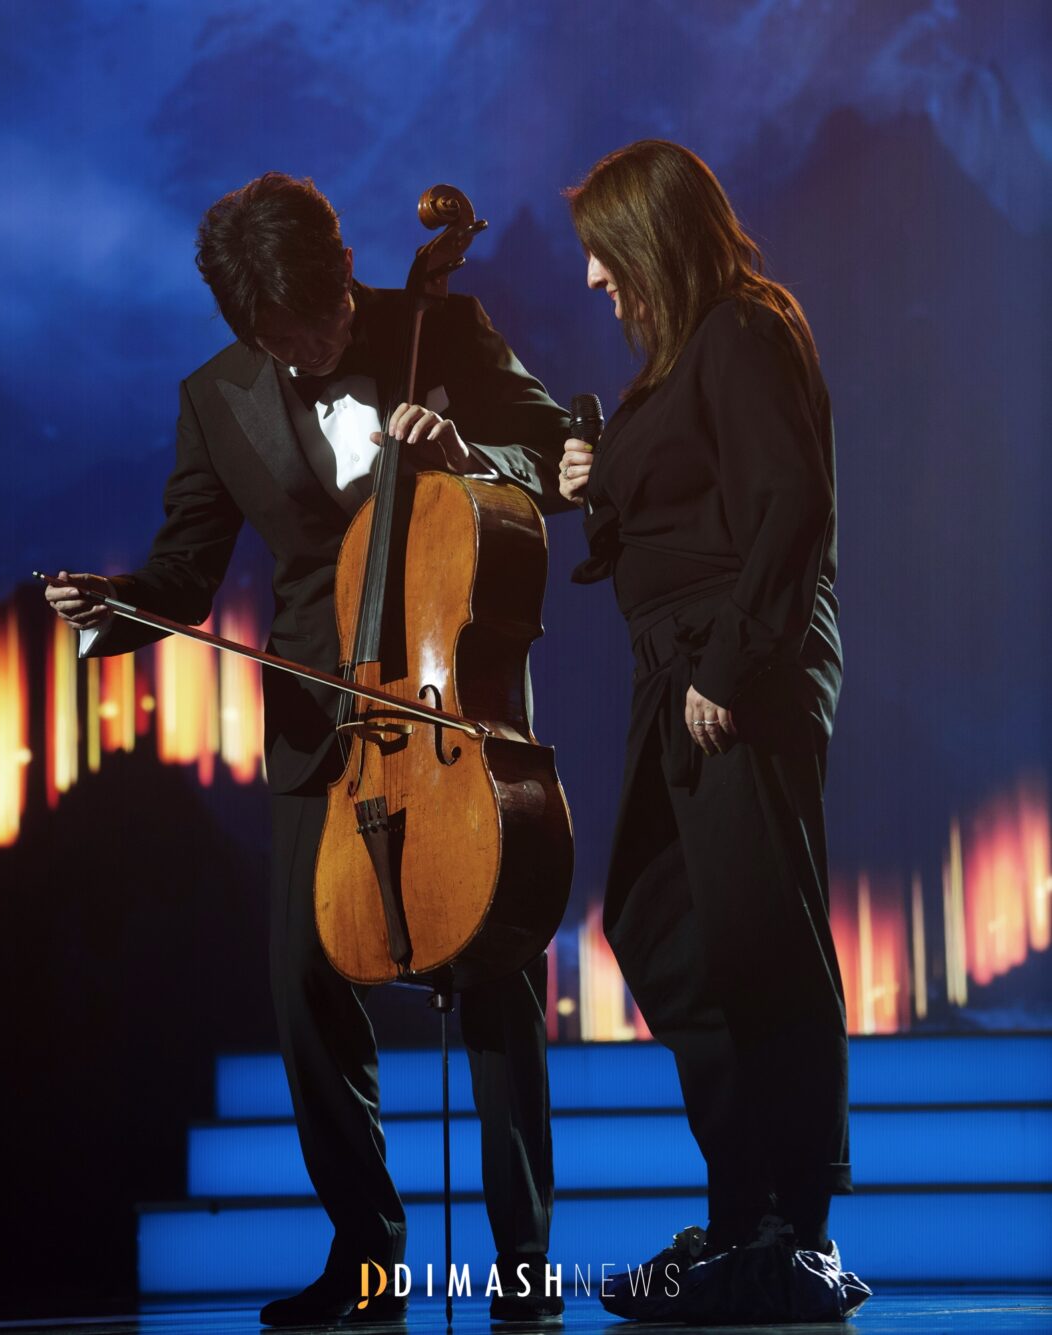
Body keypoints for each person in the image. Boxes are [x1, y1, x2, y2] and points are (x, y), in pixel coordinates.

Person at [45, 172, 573, 1326]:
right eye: (295, 336)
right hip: (320, 719)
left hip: (448, 701)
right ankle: (370, 1255)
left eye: (333, 313)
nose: (327, 341)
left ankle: (526, 1260)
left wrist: (472, 452)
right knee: (303, 986)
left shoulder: (443, 324)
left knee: (493, 972)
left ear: (345, 273)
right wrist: (116, 607)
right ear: (248, 331)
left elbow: (556, 456)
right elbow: (183, 573)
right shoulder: (215, 398)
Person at [559, 140, 869, 1322]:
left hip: (732, 671)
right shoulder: (683, 358)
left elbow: (791, 507)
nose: (592, 279)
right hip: (678, 672)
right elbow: (680, 510)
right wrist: (601, 480)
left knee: (759, 938)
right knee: (653, 913)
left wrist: (733, 667)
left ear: (649, 235)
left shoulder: (744, 331)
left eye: (602, 251)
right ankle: (749, 1200)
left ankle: (793, 1227)